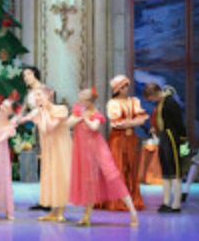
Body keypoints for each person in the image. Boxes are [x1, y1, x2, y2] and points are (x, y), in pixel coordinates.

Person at [69, 88, 138, 227]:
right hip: (85, 153)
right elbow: (68, 124)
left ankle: (133, 212)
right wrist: (80, 117)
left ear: (88, 101)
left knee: (113, 178)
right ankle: (86, 216)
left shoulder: (96, 114)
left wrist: (84, 118)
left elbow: (94, 127)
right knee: (89, 183)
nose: (79, 98)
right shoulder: (78, 111)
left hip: (98, 150)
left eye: (82, 97)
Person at [20, 85, 71, 222]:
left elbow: (50, 127)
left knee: (60, 177)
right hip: (48, 151)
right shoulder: (39, 112)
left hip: (60, 150)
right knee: (49, 178)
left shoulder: (60, 109)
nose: (37, 98)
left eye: (39, 95)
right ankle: (53, 211)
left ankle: (60, 212)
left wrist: (42, 112)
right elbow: (22, 120)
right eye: (35, 96)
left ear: (49, 95)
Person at [101, 75, 148, 211]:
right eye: (123, 86)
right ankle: (116, 200)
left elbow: (142, 119)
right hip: (117, 139)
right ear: (117, 89)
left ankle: (131, 198)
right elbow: (116, 123)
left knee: (131, 167)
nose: (126, 88)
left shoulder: (134, 101)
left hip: (131, 138)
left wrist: (129, 122)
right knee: (117, 167)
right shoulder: (112, 103)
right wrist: (132, 122)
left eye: (127, 85)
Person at [144, 83, 187, 213]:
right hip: (164, 137)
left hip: (172, 137)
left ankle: (176, 204)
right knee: (166, 171)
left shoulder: (170, 103)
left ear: (156, 93)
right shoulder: (161, 103)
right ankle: (166, 201)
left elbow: (179, 124)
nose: (152, 101)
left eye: (151, 98)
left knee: (175, 171)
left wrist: (183, 142)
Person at [20, 66, 46, 210]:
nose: (26, 78)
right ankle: (44, 199)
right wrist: (14, 120)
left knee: (47, 162)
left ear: (35, 74)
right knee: (42, 162)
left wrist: (26, 118)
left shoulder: (44, 90)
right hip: (38, 129)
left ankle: (50, 199)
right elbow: (23, 109)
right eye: (24, 76)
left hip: (47, 128)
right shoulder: (29, 93)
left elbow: (43, 108)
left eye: (29, 74)